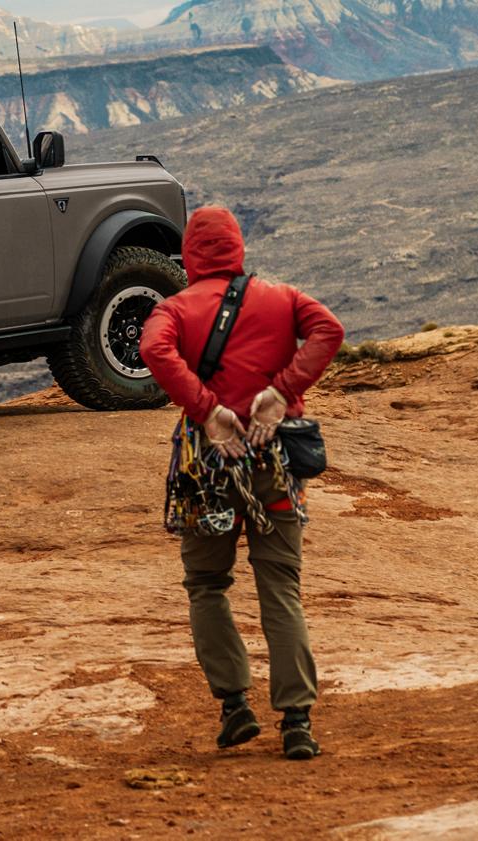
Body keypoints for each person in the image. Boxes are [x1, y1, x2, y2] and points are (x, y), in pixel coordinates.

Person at [138, 206, 345, 761]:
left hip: (206, 468)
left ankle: (235, 710)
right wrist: (280, 391)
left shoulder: (176, 309)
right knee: (280, 586)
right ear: (238, 248)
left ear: (189, 257)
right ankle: (297, 721)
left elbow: (153, 349)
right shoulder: (283, 299)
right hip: (273, 462)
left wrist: (205, 409)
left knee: (208, 584)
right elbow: (330, 329)